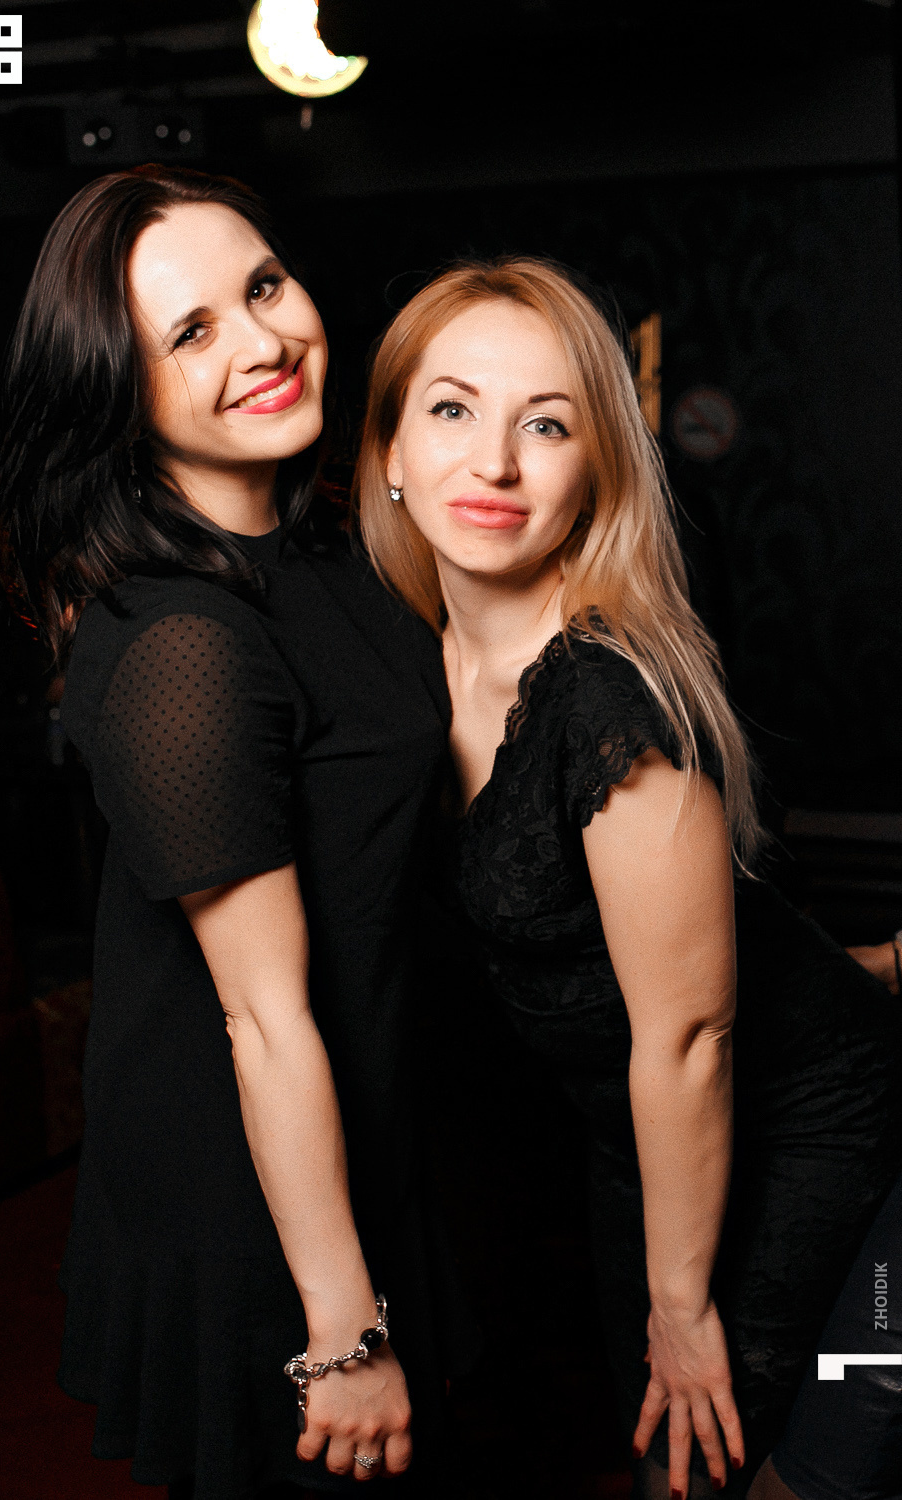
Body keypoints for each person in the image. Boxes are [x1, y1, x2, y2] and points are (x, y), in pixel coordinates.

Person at [354, 257, 902, 1499]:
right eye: (451, 409)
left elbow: (691, 1034)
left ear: (596, 467)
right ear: (387, 449)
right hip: (636, 1139)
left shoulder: (605, 697)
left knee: (755, 1472)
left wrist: (680, 1302)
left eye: (545, 424)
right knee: (672, 1466)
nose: (493, 463)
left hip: (807, 1120)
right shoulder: (399, 663)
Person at [0, 165, 455, 1500]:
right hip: (264, 1207)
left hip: (382, 1129)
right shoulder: (182, 645)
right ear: (116, 393)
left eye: (263, 286)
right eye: (191, 332)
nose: (262, 340)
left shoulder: (325, 550)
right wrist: (342, 1331)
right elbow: (259, 1018)